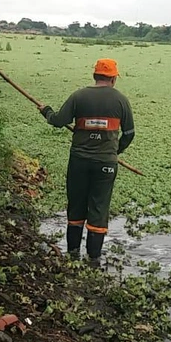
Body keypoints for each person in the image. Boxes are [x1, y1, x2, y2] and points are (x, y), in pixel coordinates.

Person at [39, 58, 135, 266]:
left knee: (76, 206)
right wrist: (115, 150)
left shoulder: (79, 96)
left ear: (95, 75)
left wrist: (45, 110)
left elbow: (57, 120)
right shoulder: (121, 101)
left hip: (79, 161)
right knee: (99, 208)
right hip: (107, 164)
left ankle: (72, 254)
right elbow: (129, 133)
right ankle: (94, 259)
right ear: (113, 79)